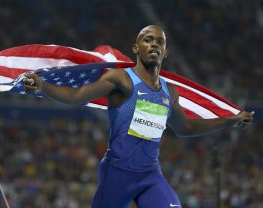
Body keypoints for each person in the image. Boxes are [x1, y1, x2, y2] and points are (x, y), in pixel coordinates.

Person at [23, 25, 254, 208]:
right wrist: (44, 87)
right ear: (136, 48)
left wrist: (230, 120)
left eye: (160, 41)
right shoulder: (121, 79)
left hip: (150, 176)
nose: (154, 44)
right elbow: (77, 96)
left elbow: (185, 129)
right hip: (117, 175)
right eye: (148, 40)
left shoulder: (169, 91)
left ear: (166, 51)